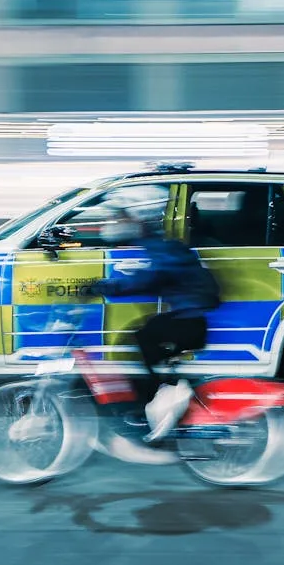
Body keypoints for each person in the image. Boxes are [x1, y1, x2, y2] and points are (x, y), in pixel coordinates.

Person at [88, 185, 221, 442]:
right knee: (147, 336)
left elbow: (152, 277)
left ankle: (162, 397)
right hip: (189, 319)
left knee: (144, 336)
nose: (117, 222)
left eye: (123, 216)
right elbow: (158, 278)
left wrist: (108, 286)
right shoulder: (160, 244)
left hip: (189, 322)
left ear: (139, 216)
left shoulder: (160, 246)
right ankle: (167, 391)